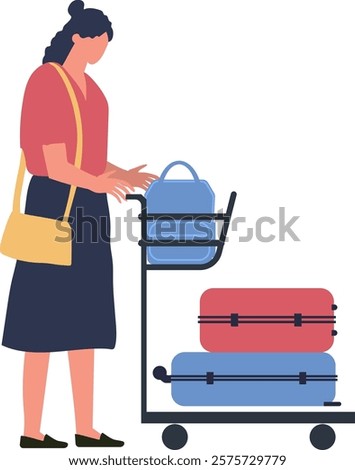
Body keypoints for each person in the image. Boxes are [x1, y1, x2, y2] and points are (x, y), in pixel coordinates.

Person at [2, 0, 156, 448]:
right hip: (53, 205)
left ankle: (85, 427)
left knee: (84, 319)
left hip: (89, 208)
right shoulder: (45, 81)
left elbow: (86, 158)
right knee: (41, 322)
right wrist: (100, 181)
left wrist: (120, 174)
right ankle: (31, 429)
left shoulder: (95, 91)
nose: (102, 53)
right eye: (100, 44)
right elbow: (52, 162)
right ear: (79, 38)